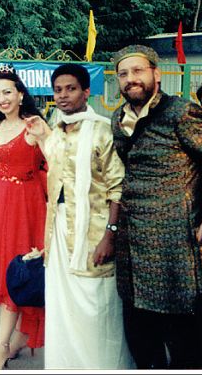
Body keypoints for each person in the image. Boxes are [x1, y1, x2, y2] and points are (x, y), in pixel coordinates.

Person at [110, 45, 202, 369]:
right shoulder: (118, 118)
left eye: (137, 71)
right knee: (141, 345)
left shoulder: (181, 112)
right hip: (132, 254)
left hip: (175, 254)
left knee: (186, 350)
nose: (130, 79)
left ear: (156, 73)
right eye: (123, 74)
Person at [26, 64, 134, 369]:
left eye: (70, 88)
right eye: (58, 90)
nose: (63, 96)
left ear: (86, 92)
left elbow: (118, 187)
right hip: (60, 230)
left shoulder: (102, 129)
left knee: (96, 308)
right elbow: (63, 169)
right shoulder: (57, 129)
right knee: (63, 308)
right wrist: (43, 137)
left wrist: (109, 236)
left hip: (95, 235)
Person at [0, 65, 47, 369]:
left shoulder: (33, 125)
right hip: (0, 206)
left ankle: (1, 347)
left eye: (8, 92)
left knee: (17, 274)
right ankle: (17, 339)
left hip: (26, 207)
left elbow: (57, 162)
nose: (2, 98)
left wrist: (44, 137)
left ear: (20, 94)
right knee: (7, 271)